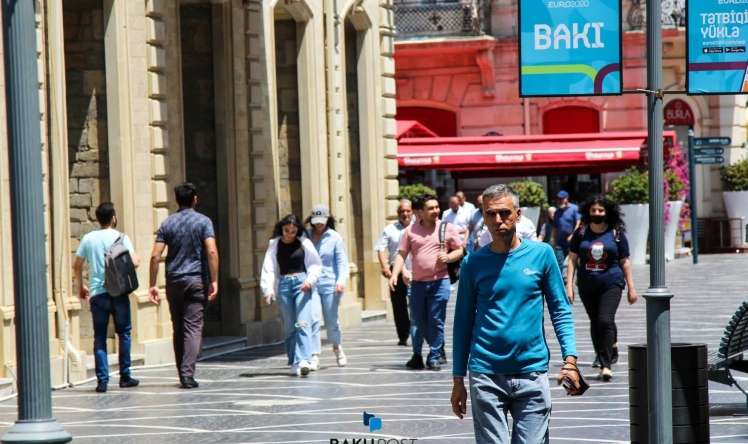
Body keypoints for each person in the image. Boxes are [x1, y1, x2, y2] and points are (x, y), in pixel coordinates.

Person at [451, 184, 580, 443]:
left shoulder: (541, 255)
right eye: (490, 214)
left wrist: (571, 360)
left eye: (504, 213)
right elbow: (462, 321)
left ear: (518, 215)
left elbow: (560, 309)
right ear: (483, 217)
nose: (498, 220)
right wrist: (458, 380)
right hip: (485, 374)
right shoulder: (472, 263)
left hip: (531, 372)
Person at [148, 182, 219, 389]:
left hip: (174, 281)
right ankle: (187, 374)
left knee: (178, 327)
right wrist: (214, 279)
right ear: (195, 199)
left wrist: (152, 284)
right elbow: (212, 251)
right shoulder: (204, 222)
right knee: (193, 327)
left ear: (176, 200)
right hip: (196, 279)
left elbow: (155, 256)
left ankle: (182, 372)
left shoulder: (167, 223)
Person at [566, 195, 638, 381]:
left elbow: (625, 262)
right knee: (595, 321)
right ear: (588, 212)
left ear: (607, 213)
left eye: (600, 210)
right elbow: (572, 259)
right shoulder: (581, 233)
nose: (597, 213)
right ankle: (605, 350)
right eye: (593, 210)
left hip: (611, 283)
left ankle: (606, 365)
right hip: (587, 284)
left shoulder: (616, 234)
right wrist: (569, 286)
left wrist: (631, 288)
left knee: (605, 320)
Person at [389, 194, 464, 371]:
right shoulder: (410, 231)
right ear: (421, 212)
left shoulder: (446, 228)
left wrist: (448, 256)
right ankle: (416, 355)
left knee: (436, 320)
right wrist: (395, 274)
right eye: (430, 208)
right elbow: (401, 254)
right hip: (418, 284)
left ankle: (435, 355)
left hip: (440, 281)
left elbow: (460, 249)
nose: (435, 211)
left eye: (437, 207)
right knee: (418, 320)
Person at [73, 202, 141, 393]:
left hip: (98, 294)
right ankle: (125, 376)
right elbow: (135, 262)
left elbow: (76, 265)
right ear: (113, 217)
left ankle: (102, 381)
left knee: (100, 336)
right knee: (124, 333)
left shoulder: (88, 239)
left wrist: (81, 286)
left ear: (97, 218)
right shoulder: (121, 237)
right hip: (119, 293)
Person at [260, 214, 322, 376]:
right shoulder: (274, 245)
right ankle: (294, 360)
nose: (289, 234)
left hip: (302, 285)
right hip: (284, 286)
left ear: (297, 231)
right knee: (289, 326)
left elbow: (315, 264)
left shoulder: (304, 243)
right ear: (281, 229)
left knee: (302, 323)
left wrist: (310, 280)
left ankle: (302, 360)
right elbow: (269, 268)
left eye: (293, 231)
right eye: (286, 230)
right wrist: (268, 289)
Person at [306, 204, 349, 369]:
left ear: (327, 219)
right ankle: (315, 355)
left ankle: (337, 348)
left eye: (321, 221)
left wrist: (340, 281)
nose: (318, 225)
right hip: (312, 284)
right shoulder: (306, 236)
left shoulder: (334, 237)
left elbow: (341, 262)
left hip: (330, 284)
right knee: (314, 319)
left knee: (331, 321)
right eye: (315, 221)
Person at [375, 199, 414, 346]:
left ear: (412, 211)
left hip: (416, 270)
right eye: (402, 211)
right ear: (398, 213)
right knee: (399, 305)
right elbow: (380, 248)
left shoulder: (419, 227)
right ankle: (403, 335)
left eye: (407, 211)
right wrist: (385, 267)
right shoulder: (389, 229)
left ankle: (418, 331)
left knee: (417, 304)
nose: (405, 214)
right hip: (396, 271)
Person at [552, 191, 581, 283]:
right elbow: (555, 227)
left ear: (566, 198)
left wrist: (573, 235)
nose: (559, 201)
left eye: (561, 199)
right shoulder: (557, 212)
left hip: (573, 240)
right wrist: (553, 239)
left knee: (576, 261)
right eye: (558, 199)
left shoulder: (574, 209)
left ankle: (580, 278)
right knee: (560, 261)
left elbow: (578, 223)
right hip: (561, 241)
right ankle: (562, 280)